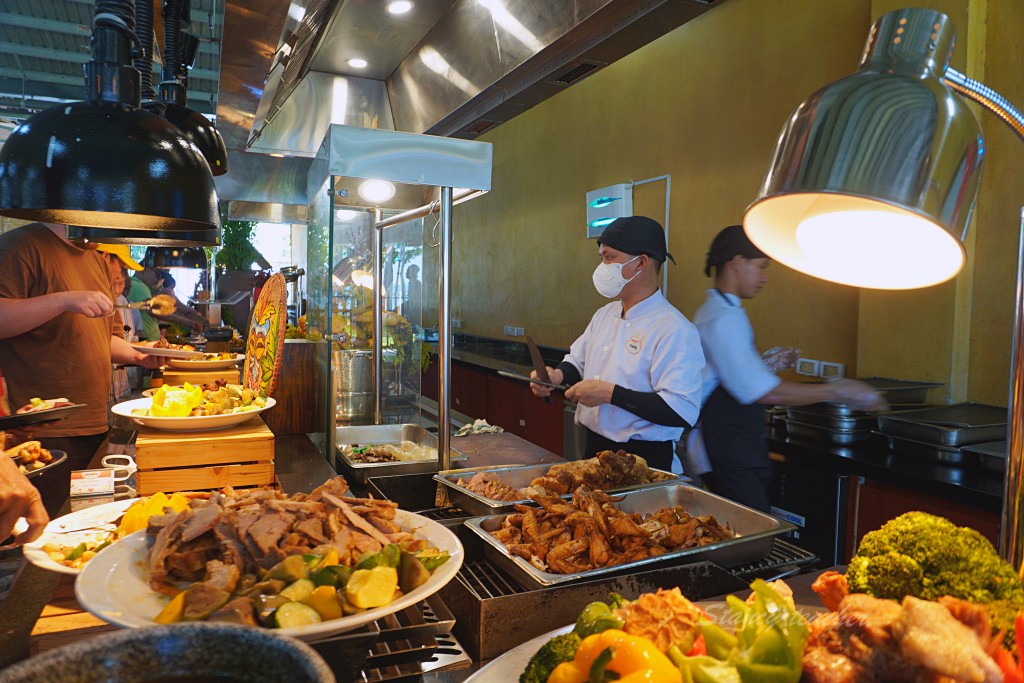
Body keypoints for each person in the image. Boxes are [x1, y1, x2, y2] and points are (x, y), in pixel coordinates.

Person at [691, 224, 887, 511]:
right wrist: (839, 390)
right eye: (760, 267)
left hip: (731, 442)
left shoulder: (719, 311)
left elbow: (725, 374)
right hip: (726, 446)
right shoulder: (723, 318)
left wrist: (764, 364)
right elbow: (763, 393)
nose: (764, 277)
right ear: (737, 263)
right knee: (751, 534)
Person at [0, 222, 169, 515]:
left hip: (94, 420)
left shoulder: (96, 258)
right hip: (41, 430)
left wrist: (139, 356)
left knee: (79, 526)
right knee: (37, 533)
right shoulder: (22, 246)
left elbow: (106, 338)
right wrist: (62, 300)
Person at [529, 216, 704, 471]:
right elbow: (578, 361)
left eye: (610, 257)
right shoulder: (605, 314)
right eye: (601, 258)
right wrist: (555, 376)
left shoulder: (674, 329)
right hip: (593, 451)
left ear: (641, 263)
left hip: (644, 462)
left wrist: (609, 394)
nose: (602, 266)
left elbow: (680, 410)